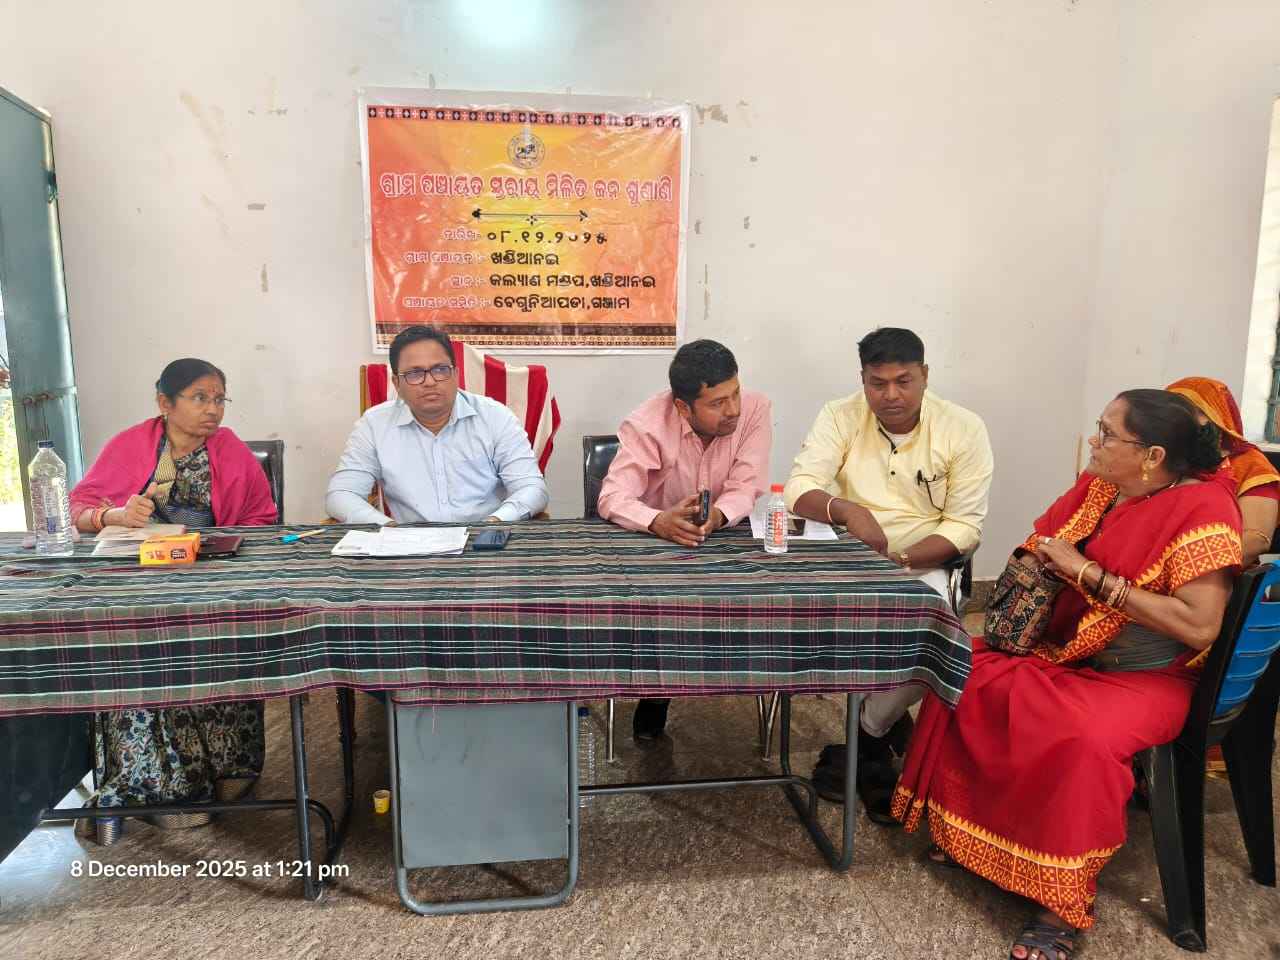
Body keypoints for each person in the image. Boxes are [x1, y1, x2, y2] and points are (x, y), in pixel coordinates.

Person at [892, 390, 1241, 960]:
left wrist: (1090, 576)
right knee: (965, 673)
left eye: (1108, 434)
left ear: (1152, 456)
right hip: (1068, 652)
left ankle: (1059, 905)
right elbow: (1046, 542)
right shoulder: (1104, 487)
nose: (1094, 442)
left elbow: (1200, 626)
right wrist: (1041, 563)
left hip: (1150, 676)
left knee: (1080, 738)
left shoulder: (1203, 509)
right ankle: (976, 841)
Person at [783, 327, 993, 816]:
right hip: (849, 556)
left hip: (923, 561)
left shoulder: (963, 428)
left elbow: (965, 525)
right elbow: (799, 487)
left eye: (904, 381)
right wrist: (849, 511)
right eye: (878, 383)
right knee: (794, 619)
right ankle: (882, 732)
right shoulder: (840, 415)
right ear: (863, 380)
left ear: (925, 375)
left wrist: (902, 561)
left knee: (936, 637)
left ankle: (866, 735)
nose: (891, 395)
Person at [68, 358, 277, 832]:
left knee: (221, 641)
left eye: (219, 398)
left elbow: (262, 519)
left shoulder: (229, 449)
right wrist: (114, 516)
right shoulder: (130, 445)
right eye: (200, 397)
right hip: (139, 582)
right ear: (165, 402)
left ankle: (227, 764)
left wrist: (223, 547)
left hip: (210, 579)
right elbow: (79, 508)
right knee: (138, 652)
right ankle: (159, 786)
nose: (213, 409)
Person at [597, 339, 772, 741]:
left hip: (725, 535)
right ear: (682, 407)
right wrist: (658, 521)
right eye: (718, 403)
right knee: (666, 607)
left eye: (735, 393)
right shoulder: (646, 423)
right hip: (661, 547)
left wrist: (718, 515)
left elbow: (747, 485)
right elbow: (612, 497)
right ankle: (657, 691)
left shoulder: (756, 409)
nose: (733, 410)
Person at [326, 324, 549, 525]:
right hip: (408, 544)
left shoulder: (495, 416)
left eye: (440, 369)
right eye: (415, 373)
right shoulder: (375, 424)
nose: (430, 382)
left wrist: (495, 522)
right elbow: (341, 494)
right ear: (397, 383)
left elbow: (532, 488)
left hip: (485, 539)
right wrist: (387, 528)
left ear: (456, 374)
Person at [1167, 376, 1279, 565]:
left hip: (1214, 570)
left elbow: (1256, 540)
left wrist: (1187, 565)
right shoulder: (1163, 458)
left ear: (1217, 417)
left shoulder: (1250, 464)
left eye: (1186, 413)